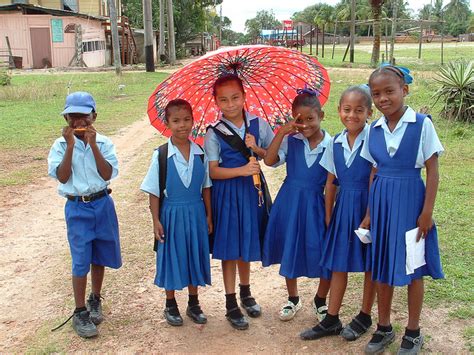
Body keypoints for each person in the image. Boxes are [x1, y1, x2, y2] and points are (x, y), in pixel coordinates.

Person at [360, 65, 444, 354]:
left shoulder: (422, 125)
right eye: (376, 94)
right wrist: (370, 213)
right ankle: (383, 327)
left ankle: (413, 331)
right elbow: (373, 172)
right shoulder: (373, 129)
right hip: (382, 204)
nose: (383, 98)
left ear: (404, 91)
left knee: (413, 268)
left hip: (411, 203)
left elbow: (433, 170)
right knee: (382, 265)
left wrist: (427, 212)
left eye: (389, 91)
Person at [305, 85, 376, 341]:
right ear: (338, 111)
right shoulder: (335, 142)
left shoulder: (374, 139)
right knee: (338, 263)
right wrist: (328, 214)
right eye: (347, 109)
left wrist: (369, 215)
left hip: (368, 207)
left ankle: (365, 315)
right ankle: (332, 318)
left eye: (359, 110)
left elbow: (374, 178)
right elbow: (330, 182)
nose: (352, 115)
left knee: (371, 264)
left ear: (369, 112)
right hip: (343, 207)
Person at [48, 91, 121, 338]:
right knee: (81, 259)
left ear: (94, 116)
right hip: (77, 207)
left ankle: (95, 298)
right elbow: (63, 176)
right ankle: (80, 311)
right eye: (73, 117)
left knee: (99, 256)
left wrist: (92, 146)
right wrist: (70, 147)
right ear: (66, 118)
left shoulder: (104, 142)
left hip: (102, 204)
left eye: (84, 117)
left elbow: (106, 174)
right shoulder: (59, 145)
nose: (79, 123)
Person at [204, 74, 274, 330]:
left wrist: (258, 150)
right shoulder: (214, 133)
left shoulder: (258, 124)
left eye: (235, 97)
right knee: (230, 248)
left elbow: (273, 158)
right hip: (228, 194)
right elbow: (212, 171)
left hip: (252, 192)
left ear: (244, 97)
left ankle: (246, 292)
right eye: (223, 100)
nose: (231, 104)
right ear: (216, 102)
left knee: (246, 242)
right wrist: (241, 170)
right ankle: (231, 301)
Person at [262, 88, 332, 329]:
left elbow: (336, 179)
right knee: (289, 247)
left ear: (321, 115)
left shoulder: (332, 144)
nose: (305, 125)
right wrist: (282, 132)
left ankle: (321, 300)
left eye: (310, 118)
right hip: (289, 202)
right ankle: (293, 298)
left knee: (324, 250)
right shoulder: (291, 141)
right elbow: (269, 161)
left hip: (316, 205)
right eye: (299, 120)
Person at [141, 99, 212, 327]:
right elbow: (153, 191)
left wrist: (209, 215)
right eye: (176, 121)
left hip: (196, 212)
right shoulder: (161, 155)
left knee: (194, 254)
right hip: (171, 213)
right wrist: (155, 221)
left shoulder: (200, 153)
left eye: (187, 120)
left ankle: (194, 303)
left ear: (193, 121)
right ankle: (170, 304)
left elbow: (207, 187)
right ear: (167, 123)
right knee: (171, 256)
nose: (182, 125)